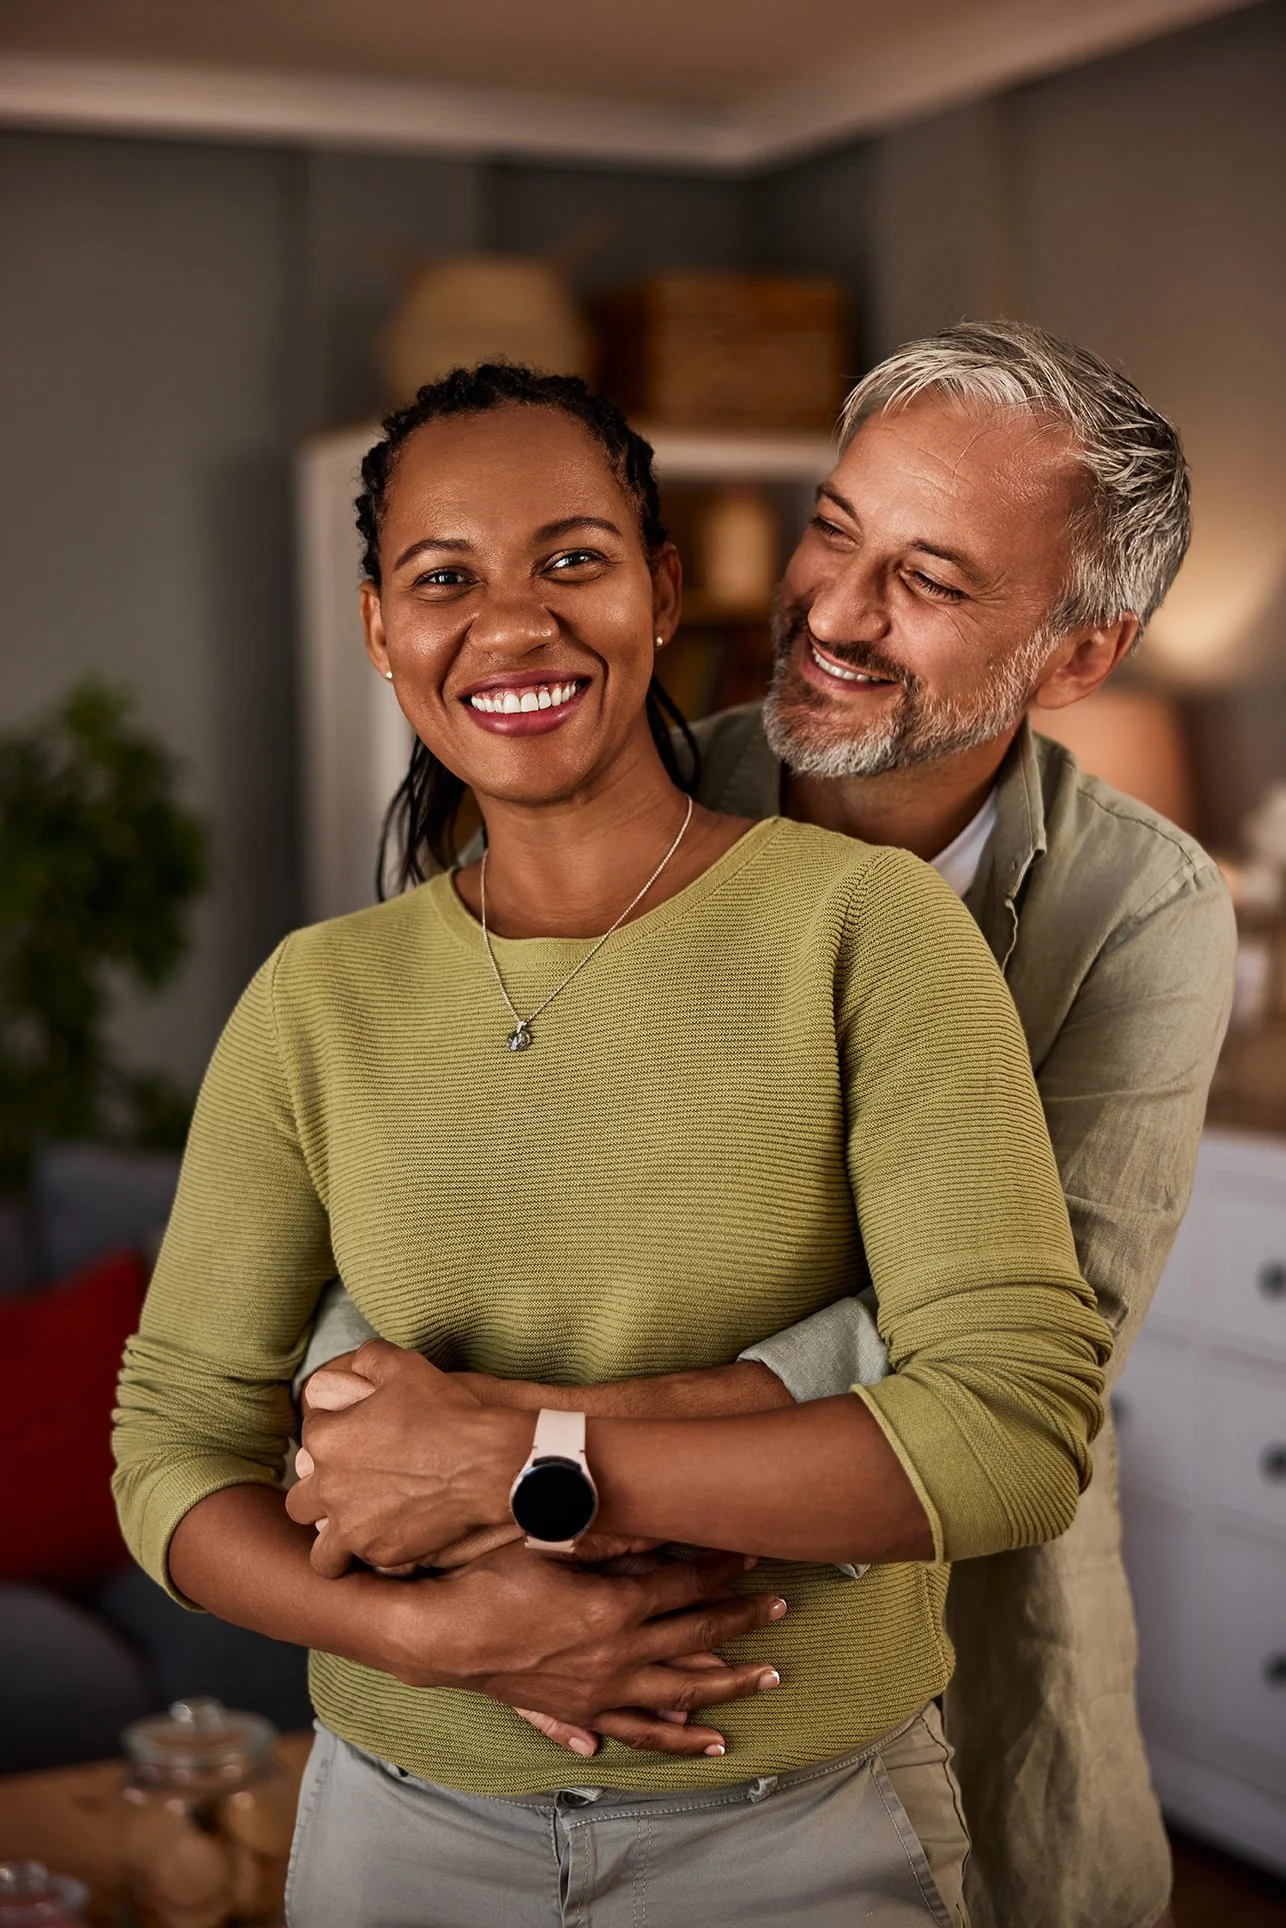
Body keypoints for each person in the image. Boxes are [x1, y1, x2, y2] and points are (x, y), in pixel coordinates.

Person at [114, 361, 1110, 1928]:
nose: (512, 626)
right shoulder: (317, 1000)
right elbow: (170, 1448)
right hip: (399, 1838)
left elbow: (1011, 1433)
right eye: (445, 580)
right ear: (381, 630)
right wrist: (433, 1638)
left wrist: (524, 1463)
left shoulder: (864, 934)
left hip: (800, 1841)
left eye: (570, 559)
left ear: (657, 589)